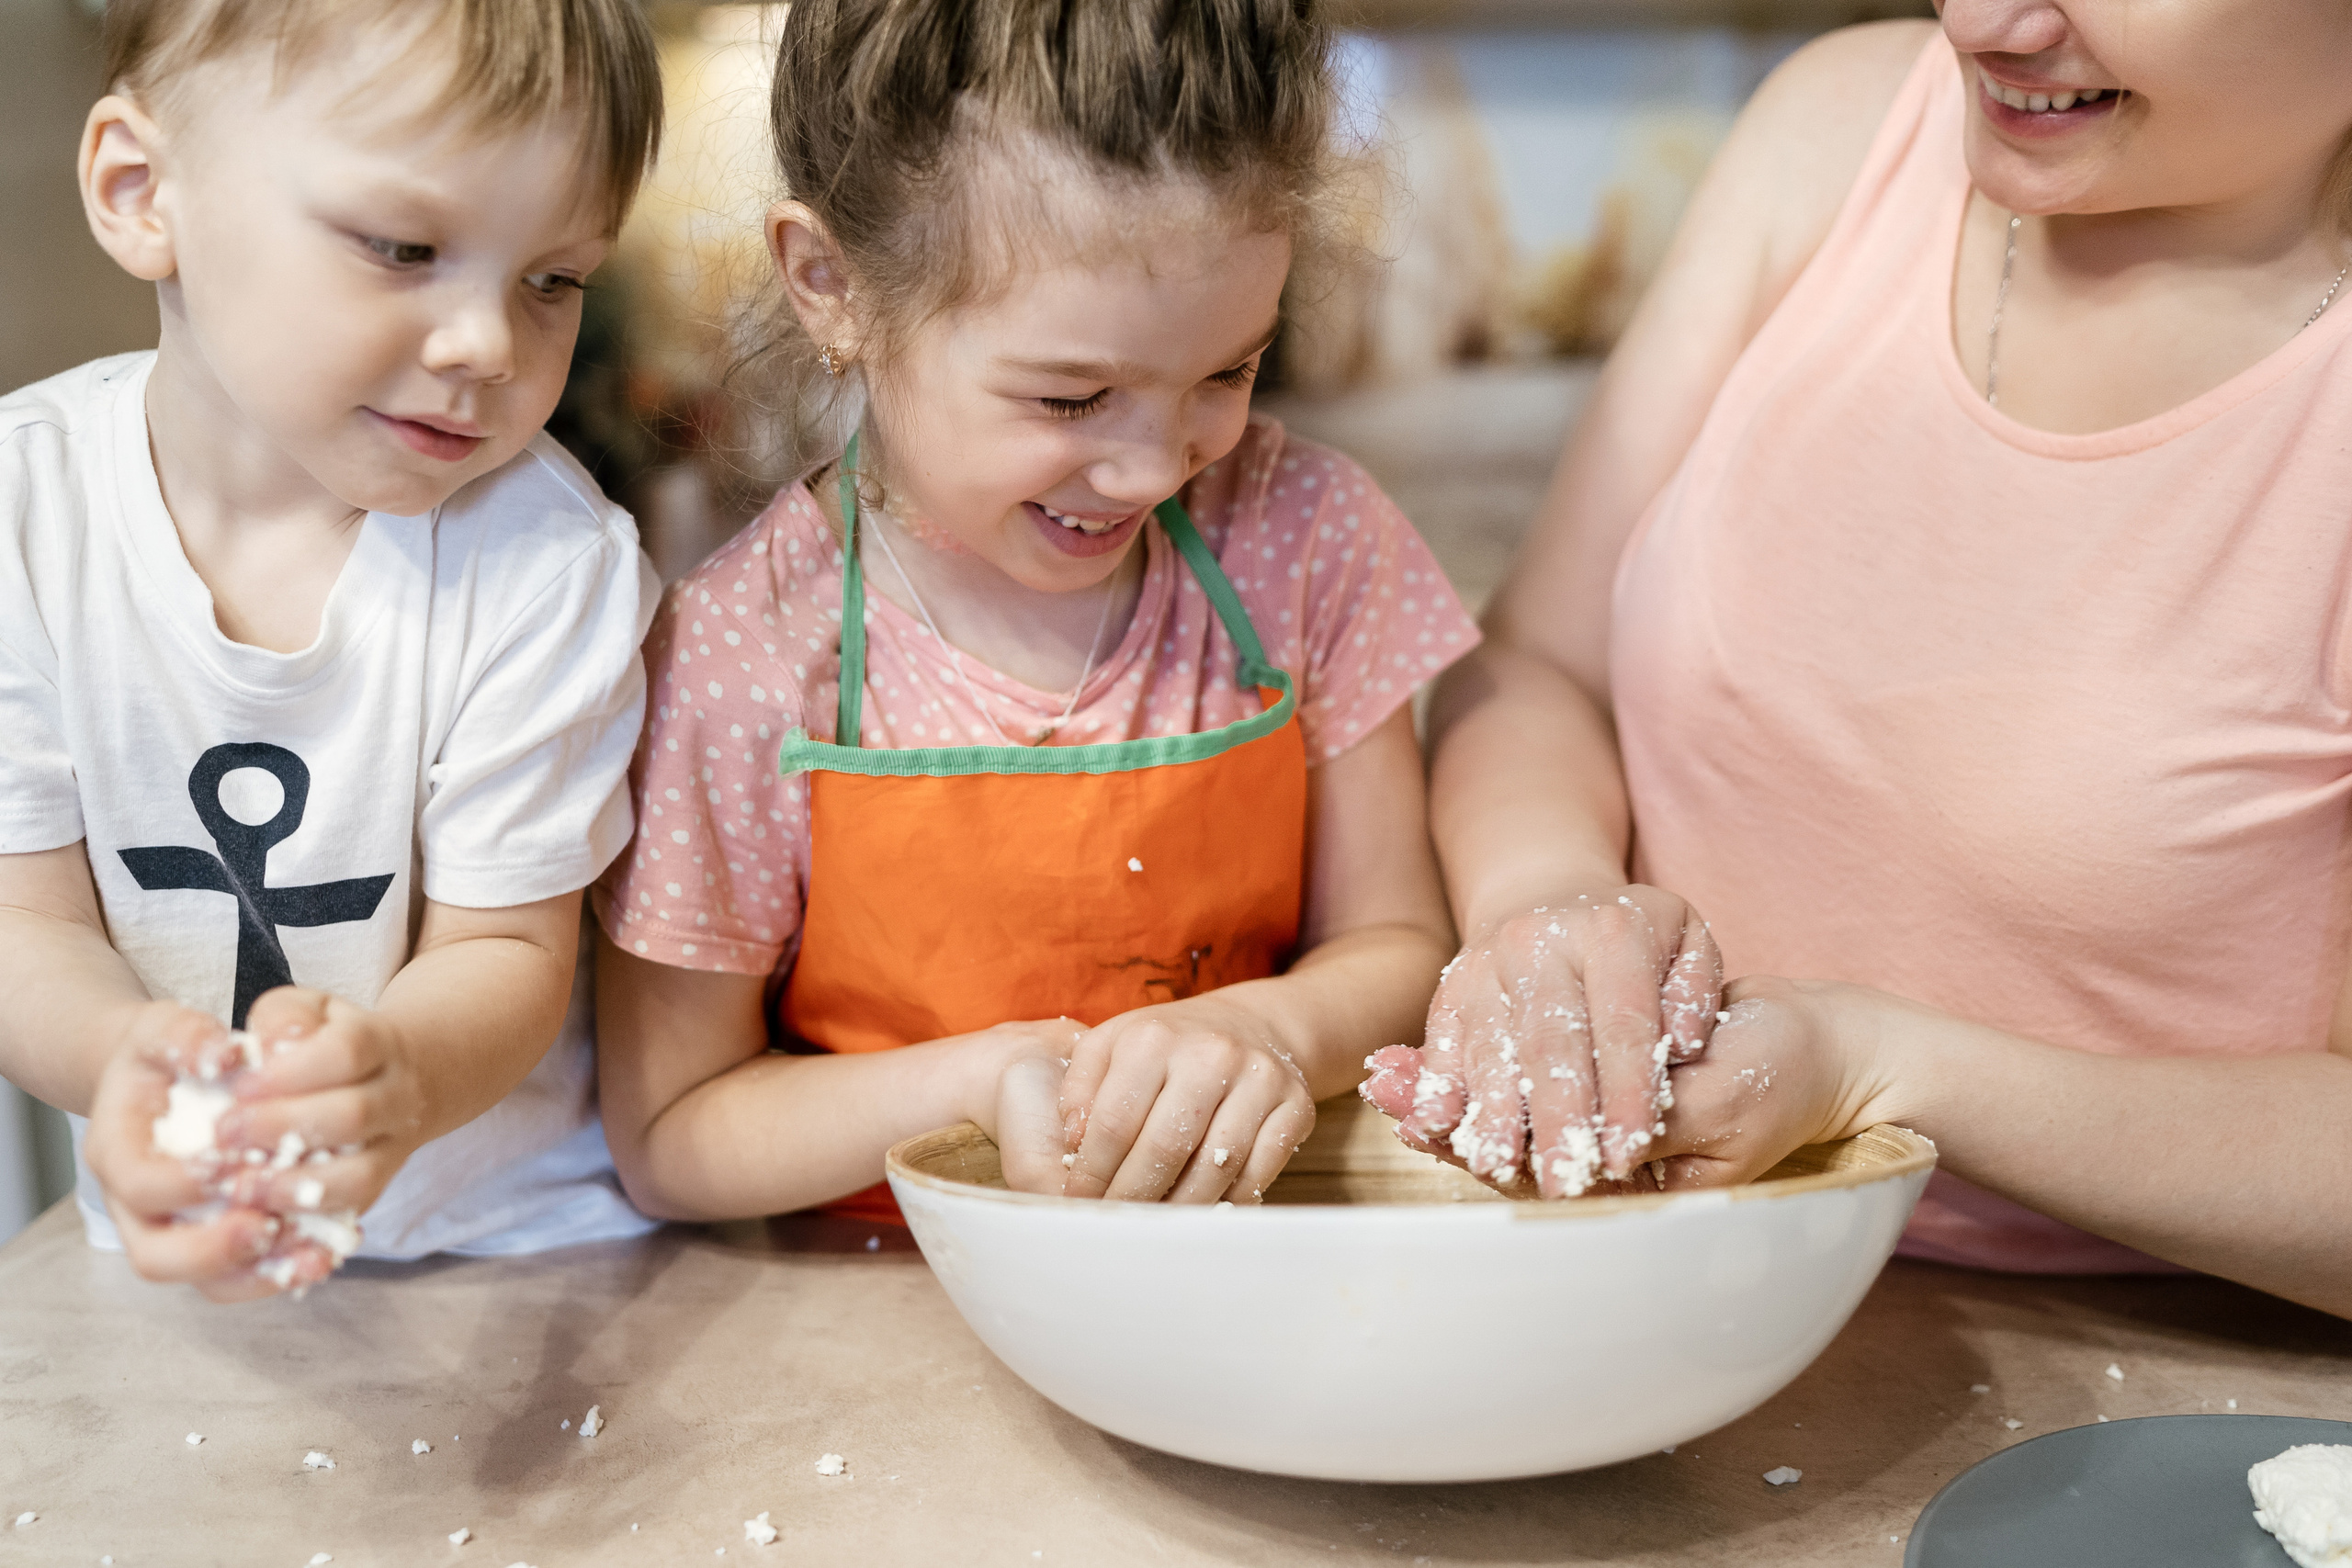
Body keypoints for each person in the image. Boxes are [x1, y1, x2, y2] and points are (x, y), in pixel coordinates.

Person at [1368, 0, 2352, 1316]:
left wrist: (1881, 1071)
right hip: (1642, 1287)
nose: (1984, 19)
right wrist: (1551, 903)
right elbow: (1547, 661)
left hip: (2120, 1383)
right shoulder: (1841, 128)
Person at [594, 0, 1469, 1224]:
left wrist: (1265, 1027)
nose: (1159, 467)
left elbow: (1398, 941)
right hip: (870, 1332)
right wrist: (987, 1079)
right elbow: (674, 1136)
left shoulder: (1307, 537)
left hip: (1242, 1280)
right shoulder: (746, 654)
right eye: (1071, 399)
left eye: (1227, 370)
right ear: (831, 285)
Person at [0, 0, 666, 1298]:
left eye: (553, 280)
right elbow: (24, 923)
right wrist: (124, 1060)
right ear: (143, 194)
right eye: (406, 246)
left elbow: (505, 952)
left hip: (522, 1253)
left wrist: (399, 1074)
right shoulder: (23, 523)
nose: (488, 344)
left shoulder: (546, 564)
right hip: (178, 1258)